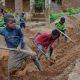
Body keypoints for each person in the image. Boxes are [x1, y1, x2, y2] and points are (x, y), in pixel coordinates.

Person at [0, 14, 42, 79]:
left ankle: (41, 71)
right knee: (10, 68)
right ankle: (10, 78)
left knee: (34, 57)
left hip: (23, 47)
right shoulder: (2, 30)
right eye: (11, 23)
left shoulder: (18, 28)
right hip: (13, 50)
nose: (14, 24)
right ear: (6, 24)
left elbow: (22, 37)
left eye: (14, 22)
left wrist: (19, 45)